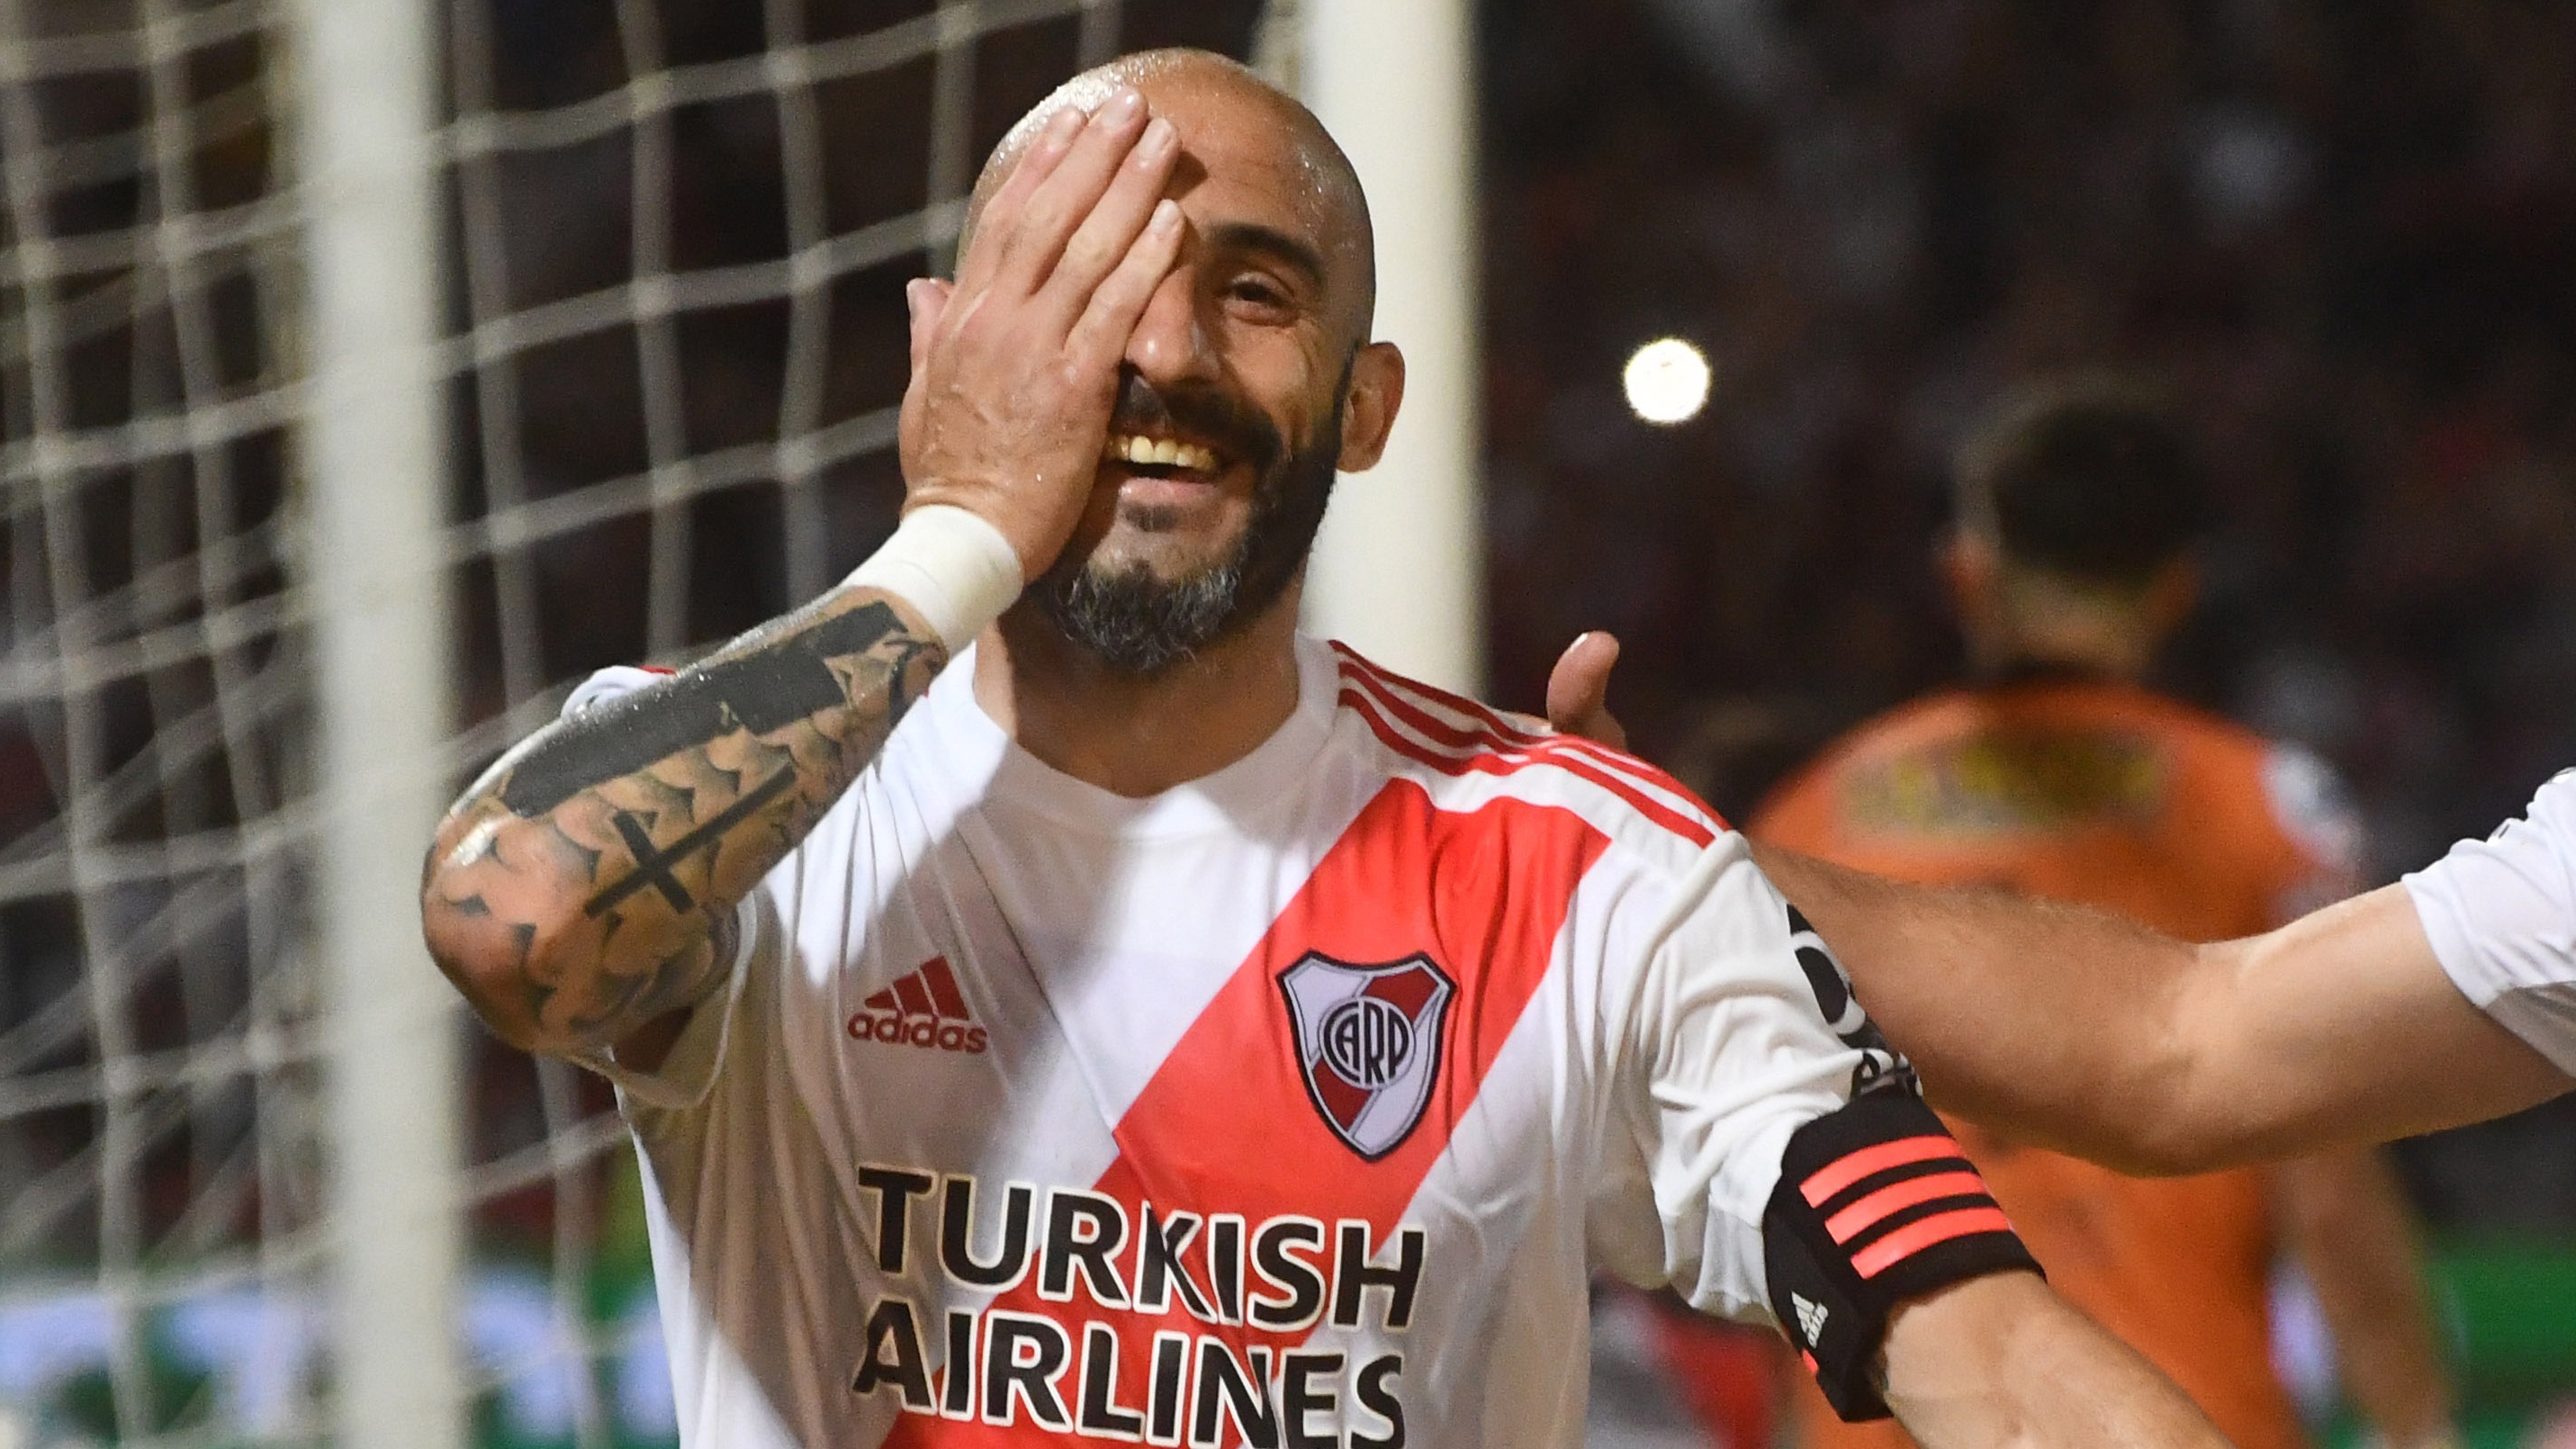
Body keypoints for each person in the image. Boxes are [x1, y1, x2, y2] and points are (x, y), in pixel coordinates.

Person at [421, 50, 2229, 1449]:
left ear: (1364, 408)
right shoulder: (765, 805)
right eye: (1085, 287)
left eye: (1256, 294)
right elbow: (516, 923)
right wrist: (963, 521)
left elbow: (1981, 1342)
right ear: (952, 345)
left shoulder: (1586, 866)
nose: (1164, 351)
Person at [1748, 380, 2454, 1449]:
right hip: (2177, 1406)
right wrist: (2418, 1425)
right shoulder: (2261, 812)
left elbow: (1757, 1189)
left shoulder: (1813, 824)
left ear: (1966, 574)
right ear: (2175, 588)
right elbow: (2331, 1190)